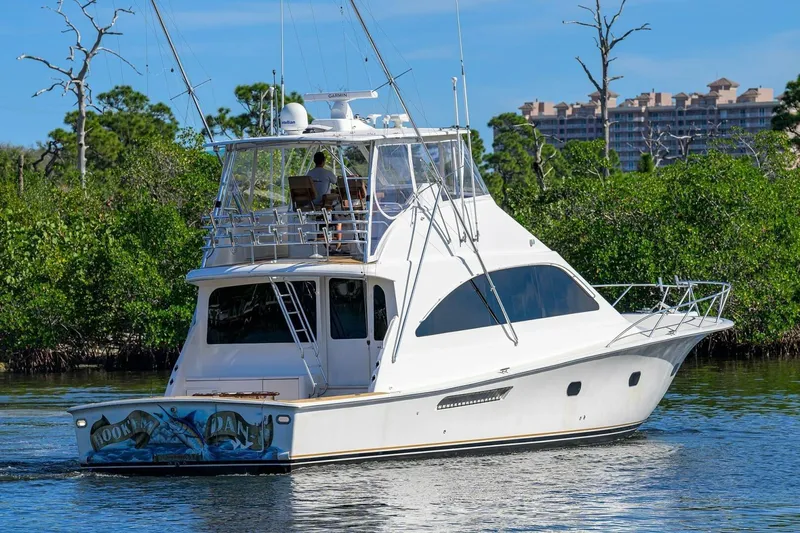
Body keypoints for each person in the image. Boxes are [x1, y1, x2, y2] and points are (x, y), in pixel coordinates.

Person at [306, 151, 344, 254]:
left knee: (321, 225)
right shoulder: (327, 173)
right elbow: (336, 182)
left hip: (313, 204)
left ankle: (328, 248)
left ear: (314, 161)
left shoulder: (309, 174)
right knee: (338, 221)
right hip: (325, 204)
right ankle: (338, 247)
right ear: (323, 161)